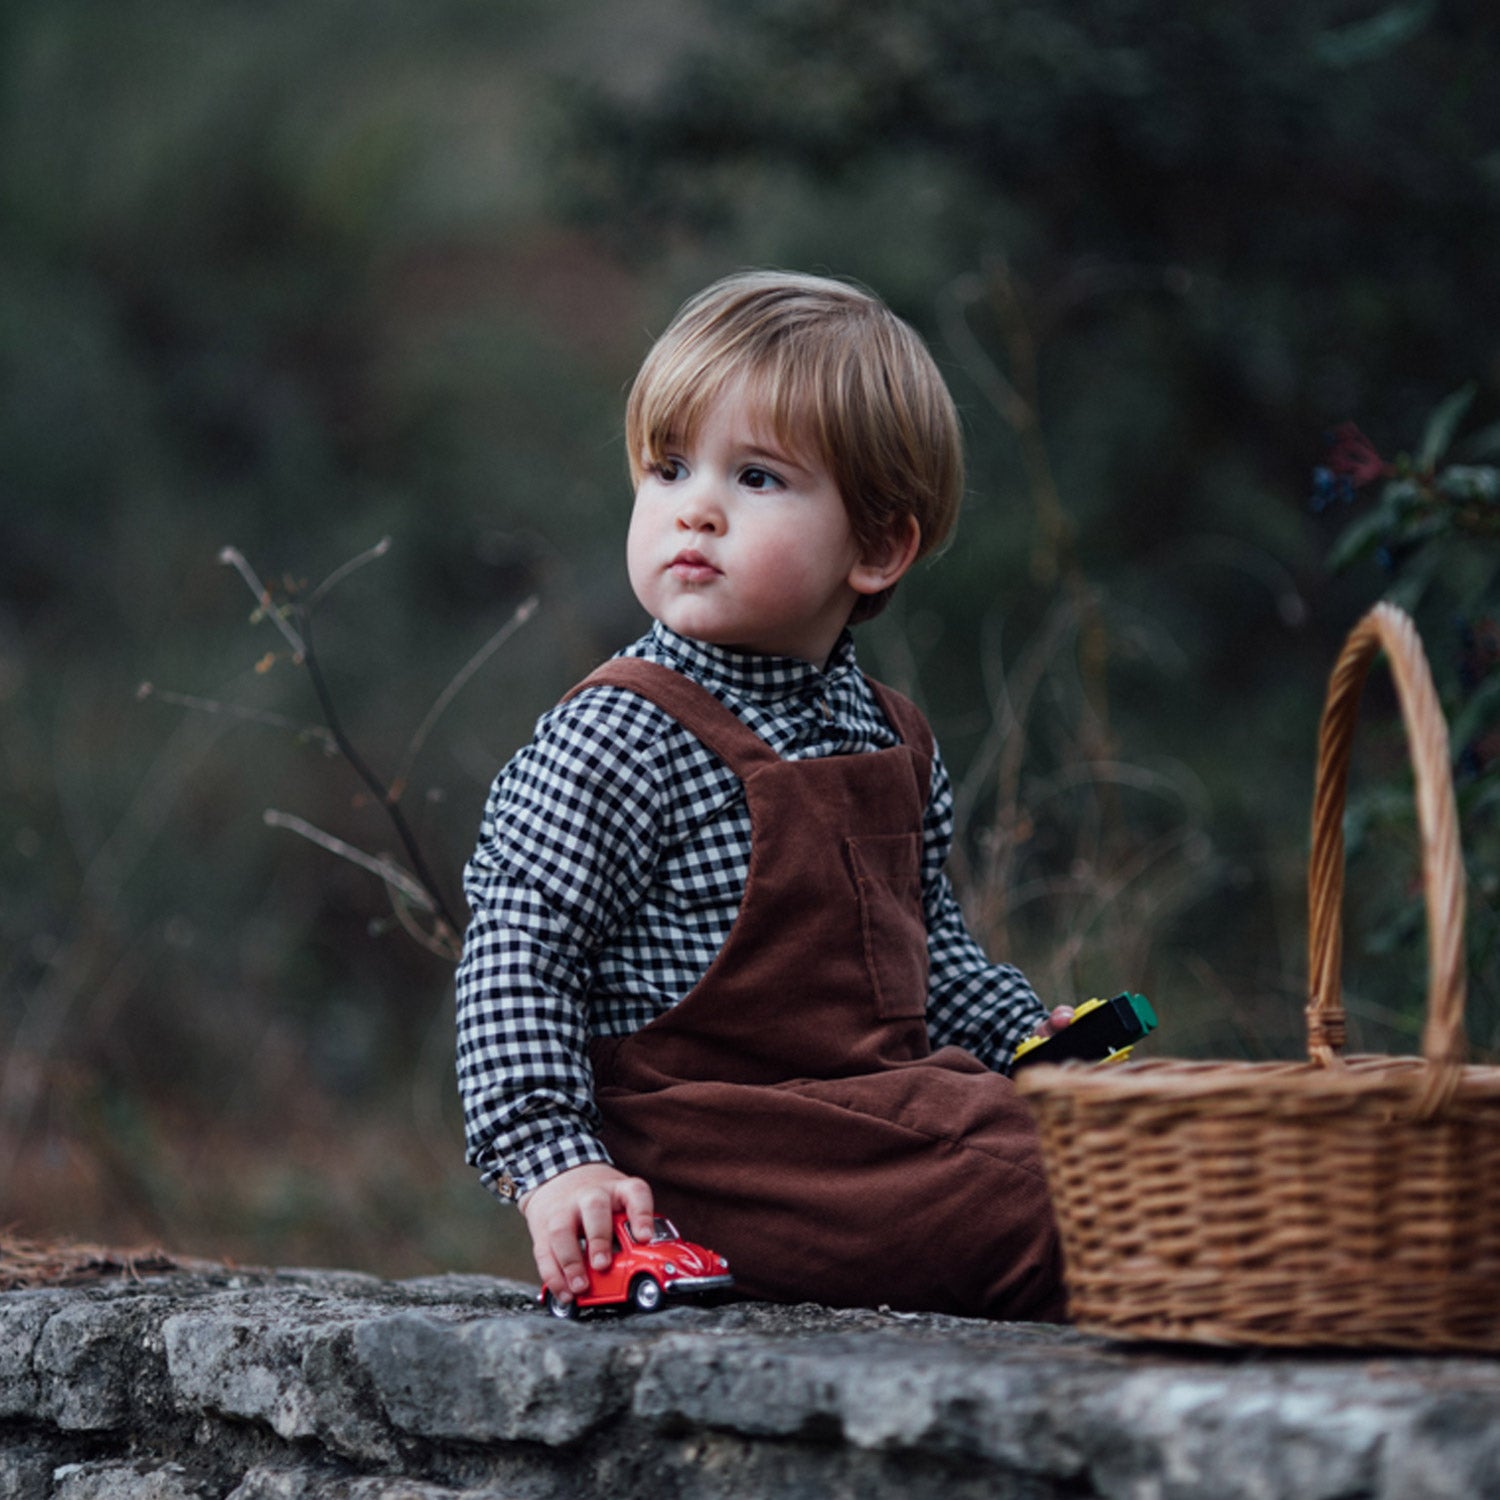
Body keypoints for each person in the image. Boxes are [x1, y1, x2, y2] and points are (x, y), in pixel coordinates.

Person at [455, 270, 1072, 1320]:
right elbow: (519, 952)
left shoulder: (893, 737)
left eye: (757, 479)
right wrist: (554, 1162)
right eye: (668, 466)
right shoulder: (619, 733)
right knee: (1049, 1198)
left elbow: (929, 967)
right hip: (712, 1156)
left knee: (1083, 1140)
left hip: (864, 1126)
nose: (694, 505)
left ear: (877, 547)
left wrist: (1034, 1047)